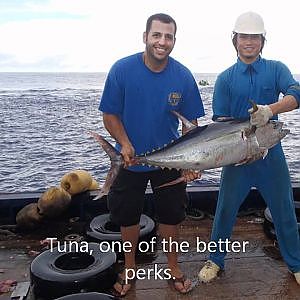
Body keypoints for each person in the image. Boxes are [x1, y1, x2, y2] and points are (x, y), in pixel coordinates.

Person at [99, 13, 205, 296]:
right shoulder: (122, 70)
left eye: (168, 36)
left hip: (170, 162)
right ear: (145, 36)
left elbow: (192, 127)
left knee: (171, 217)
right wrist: (124, 143)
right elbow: (109, 115)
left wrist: (192, 163)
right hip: (130, 159)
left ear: (174, 41)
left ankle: (173, 267)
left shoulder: (183, 76)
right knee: (127, 217)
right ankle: (130, 268)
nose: (162, 42)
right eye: (156, 35)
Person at [198, 11, 300, 285]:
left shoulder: (276, 69)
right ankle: (215, 260)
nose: (249, 42)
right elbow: (219, 124)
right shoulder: (225, 79)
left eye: (255, 37)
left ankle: (297, 264)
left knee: (284, 210)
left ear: (262, 40)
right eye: (244, 36)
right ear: (235, 40)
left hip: (270, 154)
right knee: (225, 209)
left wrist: (271, 109)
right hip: (237, 157)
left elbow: (296, 93)